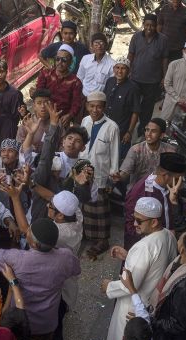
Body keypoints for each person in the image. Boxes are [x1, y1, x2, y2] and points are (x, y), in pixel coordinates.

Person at [0, 218, 81, 340]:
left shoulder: (17, 258)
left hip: (20, 321)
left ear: (33, 243)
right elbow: (76, 270)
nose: (27, 231)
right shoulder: (65, 257)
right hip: (47, 323)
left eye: (29, 232)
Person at [101, 197, 177, 340]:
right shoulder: (168, 236)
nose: (134, 223)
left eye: (139, 220)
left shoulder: (144, 247)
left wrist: (108, 287)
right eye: (134, 218)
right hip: (147, 308)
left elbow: (128, 286)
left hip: (132, 309)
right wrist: (129, 256)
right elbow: (155, 267)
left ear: (154, 221)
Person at [79, 91, 120, 257]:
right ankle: (88, 236)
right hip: (83, 172)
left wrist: (112, 177)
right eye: (92, 106)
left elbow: (115, 154)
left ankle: (102, 240)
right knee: (85, 206)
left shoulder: (112, 127)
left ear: (104, 107)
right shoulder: (85, 121)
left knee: (99, 209)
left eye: (98, 106)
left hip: (101, 175)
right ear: (87, 106)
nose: (95, 109)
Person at [124, 152, 186, 250]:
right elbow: (131, 227)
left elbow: (177, 201)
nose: (181, 182)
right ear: (165, 175)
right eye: (178, 178)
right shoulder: (139, 193)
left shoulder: (169, 186)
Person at [128, 14, 169, 133]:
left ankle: (142, 130)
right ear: (143, 25)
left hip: (152, 80)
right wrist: (127, 70)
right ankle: (129, 128)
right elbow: (131, 55)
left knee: (148, 107)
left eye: (152, 25)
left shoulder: (163, 39)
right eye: (147, 25)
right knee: (133, 105)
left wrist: (164, 77)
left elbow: (164, 59)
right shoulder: (136, 37)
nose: (149, 28)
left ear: (156, 26)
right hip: (135, 78)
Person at [112, 118, 177, 191]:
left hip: (160, 193)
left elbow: (174, 176)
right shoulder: (136, 150)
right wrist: (119, 177)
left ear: (161, 135)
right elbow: (125, 173)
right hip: (136, 193)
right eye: (147, 130)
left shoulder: (170, 152)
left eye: (153, 131)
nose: (148, 134)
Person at [115, 269, 156, 340]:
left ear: (123, 338)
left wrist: (131, 288)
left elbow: (143, 314)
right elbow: (142, 312)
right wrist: (131, 288)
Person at [35, 45, 83, 126]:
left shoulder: (75, 82)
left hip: (62, 120)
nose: (60, 62)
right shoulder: (45, 74)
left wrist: (69, 115)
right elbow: (39, 94)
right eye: (57, 59)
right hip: (44, 116)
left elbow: (76, 103)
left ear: (70, 62)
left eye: (64, 60)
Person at [103, 56, 140, 158]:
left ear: (128, 71)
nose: (120, 71)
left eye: (123, 68)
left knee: (117, 158)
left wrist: (129, 132)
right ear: (114, 69)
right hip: (105, 126)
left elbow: (135, 112)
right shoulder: (110, 81)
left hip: (121, 130)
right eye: (117, 68)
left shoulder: (133, 88)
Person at [77, 33, 116, 98]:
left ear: (106, 46)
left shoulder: (112, 64)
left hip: (100, 99)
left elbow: (111, 86)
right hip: (83, 95)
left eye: (101, 43)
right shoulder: (85, 59)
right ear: (91, 46)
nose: (99, 46)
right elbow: (80, 77)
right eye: (96, 43)